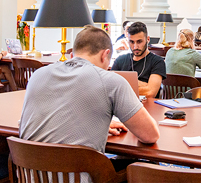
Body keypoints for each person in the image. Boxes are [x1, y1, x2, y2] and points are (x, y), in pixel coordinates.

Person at [19, 25, 159, 183]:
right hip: (78, 177)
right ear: (105, 55)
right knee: (149, 167)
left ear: (72, 54)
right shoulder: (110, 81)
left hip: (30, 177)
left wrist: (96, 124)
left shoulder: (37, 75)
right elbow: (150, 135)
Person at [111, 22, 167, 98]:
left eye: (139, 42)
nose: (135, 46)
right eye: (131, 42)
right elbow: (111, 88)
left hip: (147, 106)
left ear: (148, 39)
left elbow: (151, 92)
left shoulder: (157, 61)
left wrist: (123, 84)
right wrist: (144, 85)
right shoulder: (120, 60)